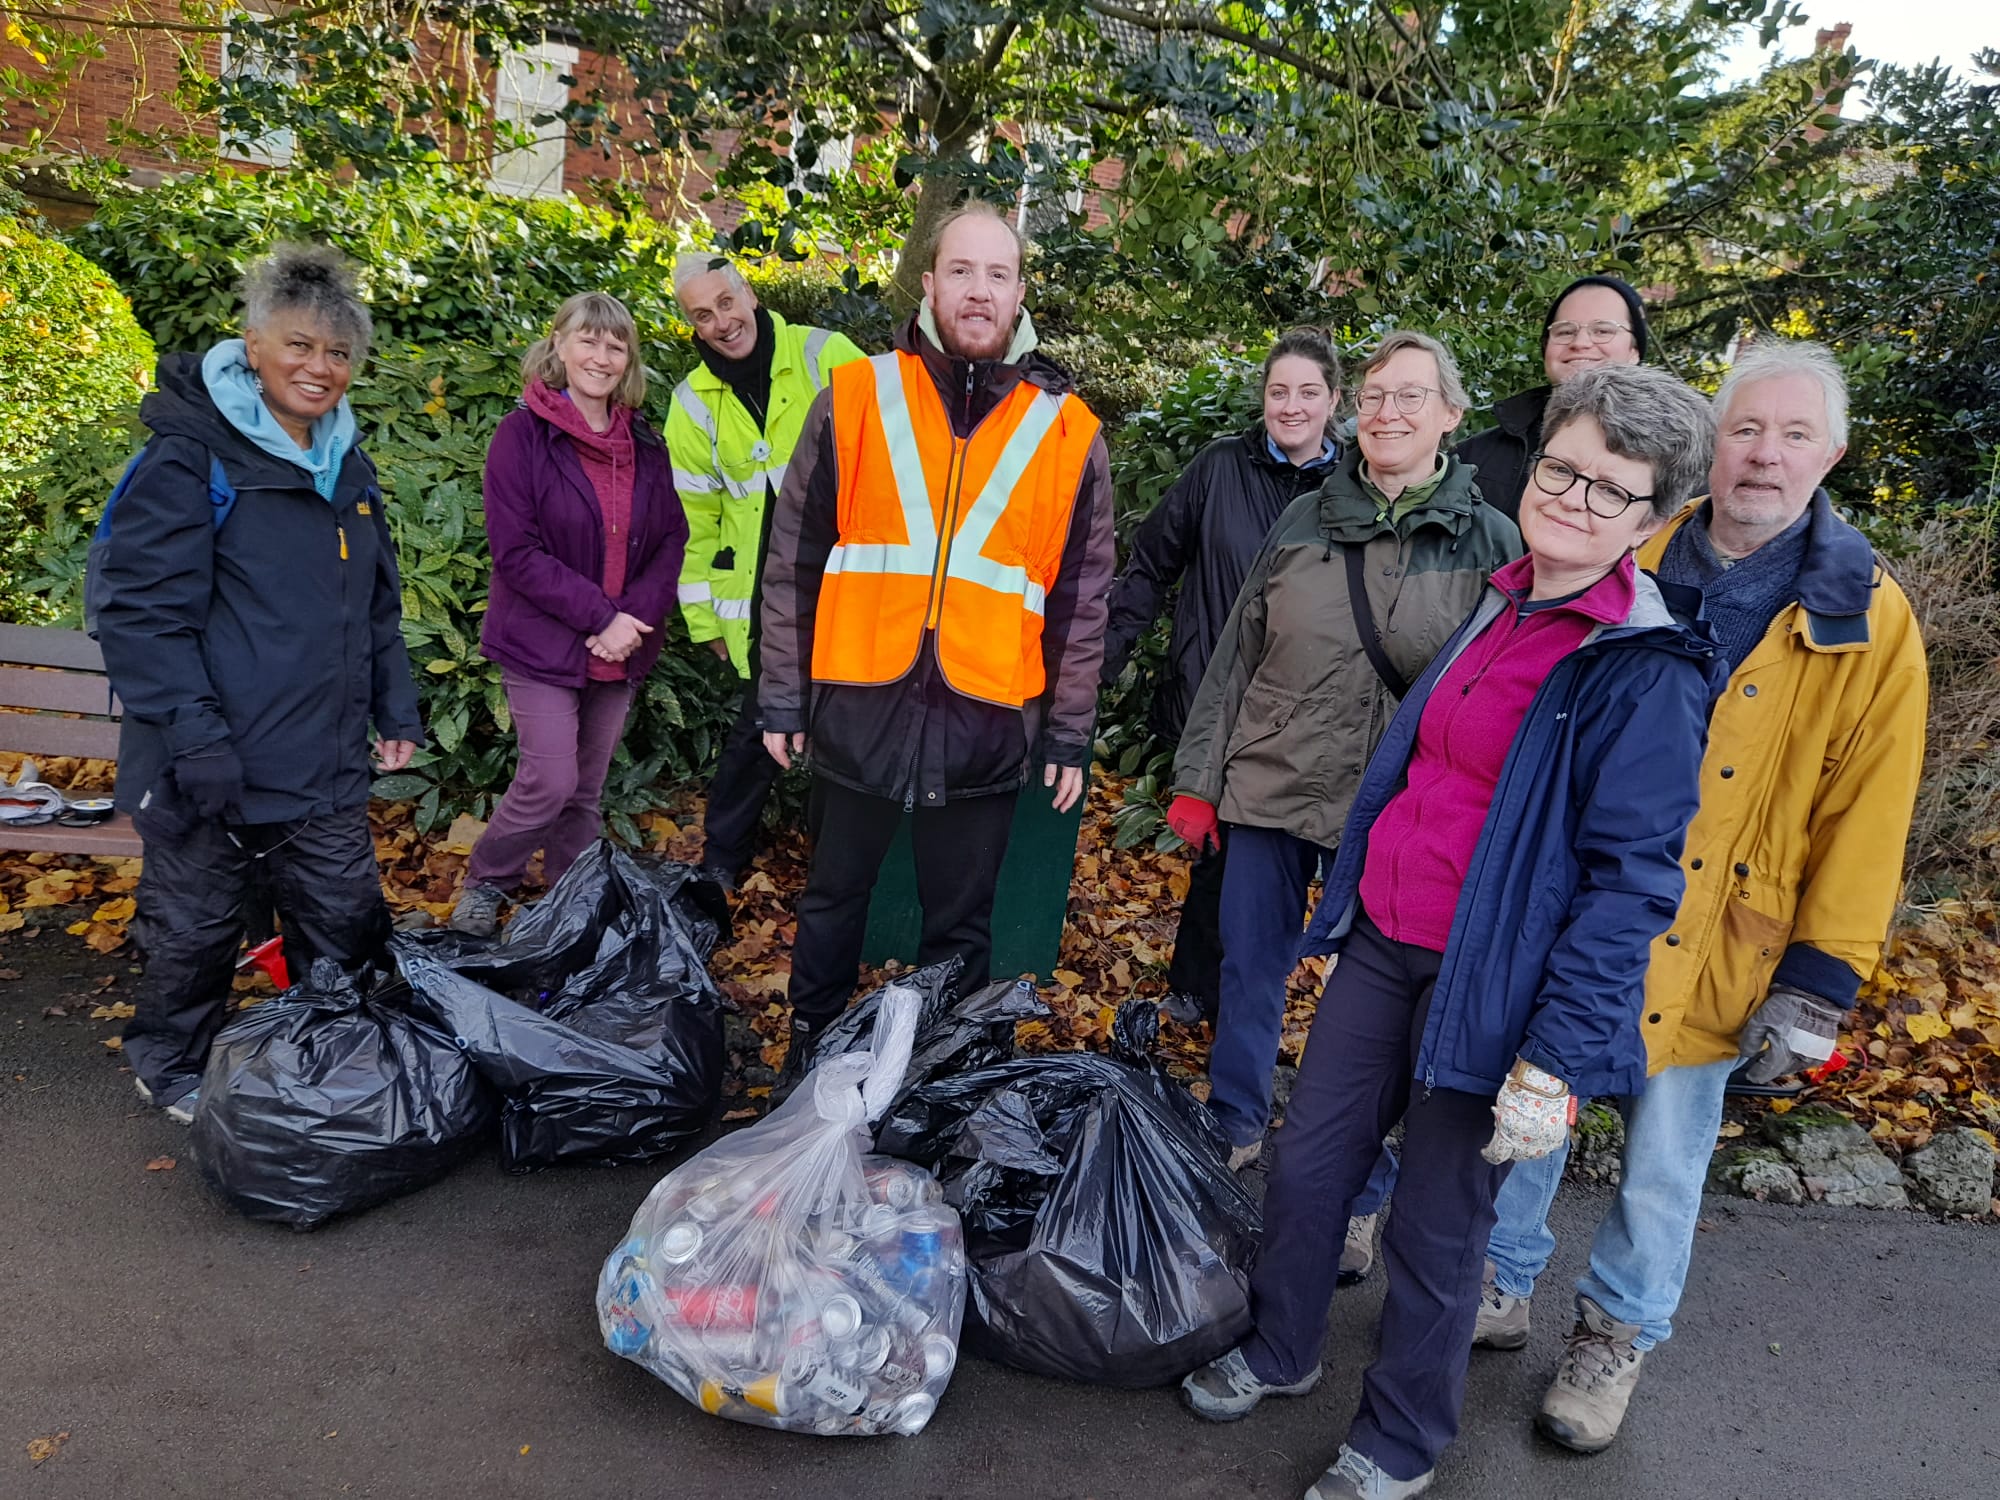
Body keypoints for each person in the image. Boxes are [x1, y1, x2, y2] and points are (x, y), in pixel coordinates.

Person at [1183, 363, 1726, 1500]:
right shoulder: (1501, 592)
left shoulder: (1641, 665)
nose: (1572, 499)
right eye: (1561, 469)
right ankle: (1280, 1350)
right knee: (1309, 1163)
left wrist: (1556, 1056)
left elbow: (1630, 883)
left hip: (1494, 986)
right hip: (1388, 939)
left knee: (1436, 1228)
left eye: (1607, 491)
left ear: (1654, 516)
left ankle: (1399, 1436)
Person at [1474, 340, 1929, 1456]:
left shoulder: (1868, 620)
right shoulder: (1633, 549)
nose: (1761, 456)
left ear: (1829, 453)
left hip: (1728, 933)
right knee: (1534, 1102)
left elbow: (1869, 814)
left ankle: (1614, 1335)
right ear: (1707, 444)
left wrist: (1821, 980)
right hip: (1586, 907)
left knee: (1664, 1160)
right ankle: (1496, 1278)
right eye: (1742, 430)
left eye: (1788, 435)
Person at [1166, 330, 1520, 1283]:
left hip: (1402, 811)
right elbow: (1235, 654)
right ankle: (1234, 1120)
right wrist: (1198, 781)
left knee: (1377, 1005)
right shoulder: (1305, 519)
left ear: (1451, 415)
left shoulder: (1493, 543)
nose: (1388, 412)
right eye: (1374, 396)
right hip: (1270, 782)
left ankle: (1359, 1187)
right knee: (1249, 966)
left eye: (1412, 396)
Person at [757, 198, 1116, 1093]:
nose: (979, 291)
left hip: (986, 715)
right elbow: (793, 555)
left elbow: (1082, 601)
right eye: (962, 271)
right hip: (861, 703)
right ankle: (808, 1059)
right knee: (834, 899)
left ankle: (944, 1083)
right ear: (930, 282)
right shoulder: (858, 396)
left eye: (998, 274)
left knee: (963, 925)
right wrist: (780, 695)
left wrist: (1068, 733)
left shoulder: (1069, 431)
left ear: (1021, 290)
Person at [97, 243, 424, 1123]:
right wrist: (194, 737)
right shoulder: (188, 460)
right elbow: (139, 614)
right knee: (194, 930)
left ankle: (333, 1058)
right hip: (209, 759)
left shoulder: (344, 465)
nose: (321, 369)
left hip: (320, 757)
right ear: (252, 345)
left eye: (339, 353)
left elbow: (374, 606)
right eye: (300, 347)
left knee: (343, 920)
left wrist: (395, 703)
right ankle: (170, 1065)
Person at [1098, 329, 1346, 1029]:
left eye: (1307, 392)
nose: (1291, 406)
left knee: (1280, 864)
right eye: (1278, 391)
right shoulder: (1218, 469)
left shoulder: (1354, 486)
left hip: (1305, 715)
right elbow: (1150, 565)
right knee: (1213, 853)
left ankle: (1256, 1005)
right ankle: (1195, 990)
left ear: (1333, 400)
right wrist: (1102, 663)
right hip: (1212, 697)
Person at [449, 293, 689, 934]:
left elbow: (671, 539)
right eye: (588, 340)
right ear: (558, 344)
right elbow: (516, 551)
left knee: (585, 791)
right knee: (551, 779)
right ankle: (487, 882)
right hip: (542, 641)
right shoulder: (521, 436)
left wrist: (630, 620)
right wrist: (598, 618)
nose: (601, 356)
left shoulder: (645, 443)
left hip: (622, 643)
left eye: (616, 345)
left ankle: (568, 901)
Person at [666, 254, 865, 889]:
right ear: (694, 328)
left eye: (726, 303)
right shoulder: (692, 403)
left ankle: (833, 867)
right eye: (703, 315)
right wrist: (706, 623)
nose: (722, 322)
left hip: (847, 581)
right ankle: (721, 868)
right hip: (759, 597)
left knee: (846, 733)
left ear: (748, 294)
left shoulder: (824, 353)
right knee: (757, 732)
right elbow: (693, 523)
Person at [1455, 274, 1649, 522]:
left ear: (1634, 351)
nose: (1580, 343)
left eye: (1602, 330)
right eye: (1565, 331)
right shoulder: (1475, 457)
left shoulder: (1675, 461)